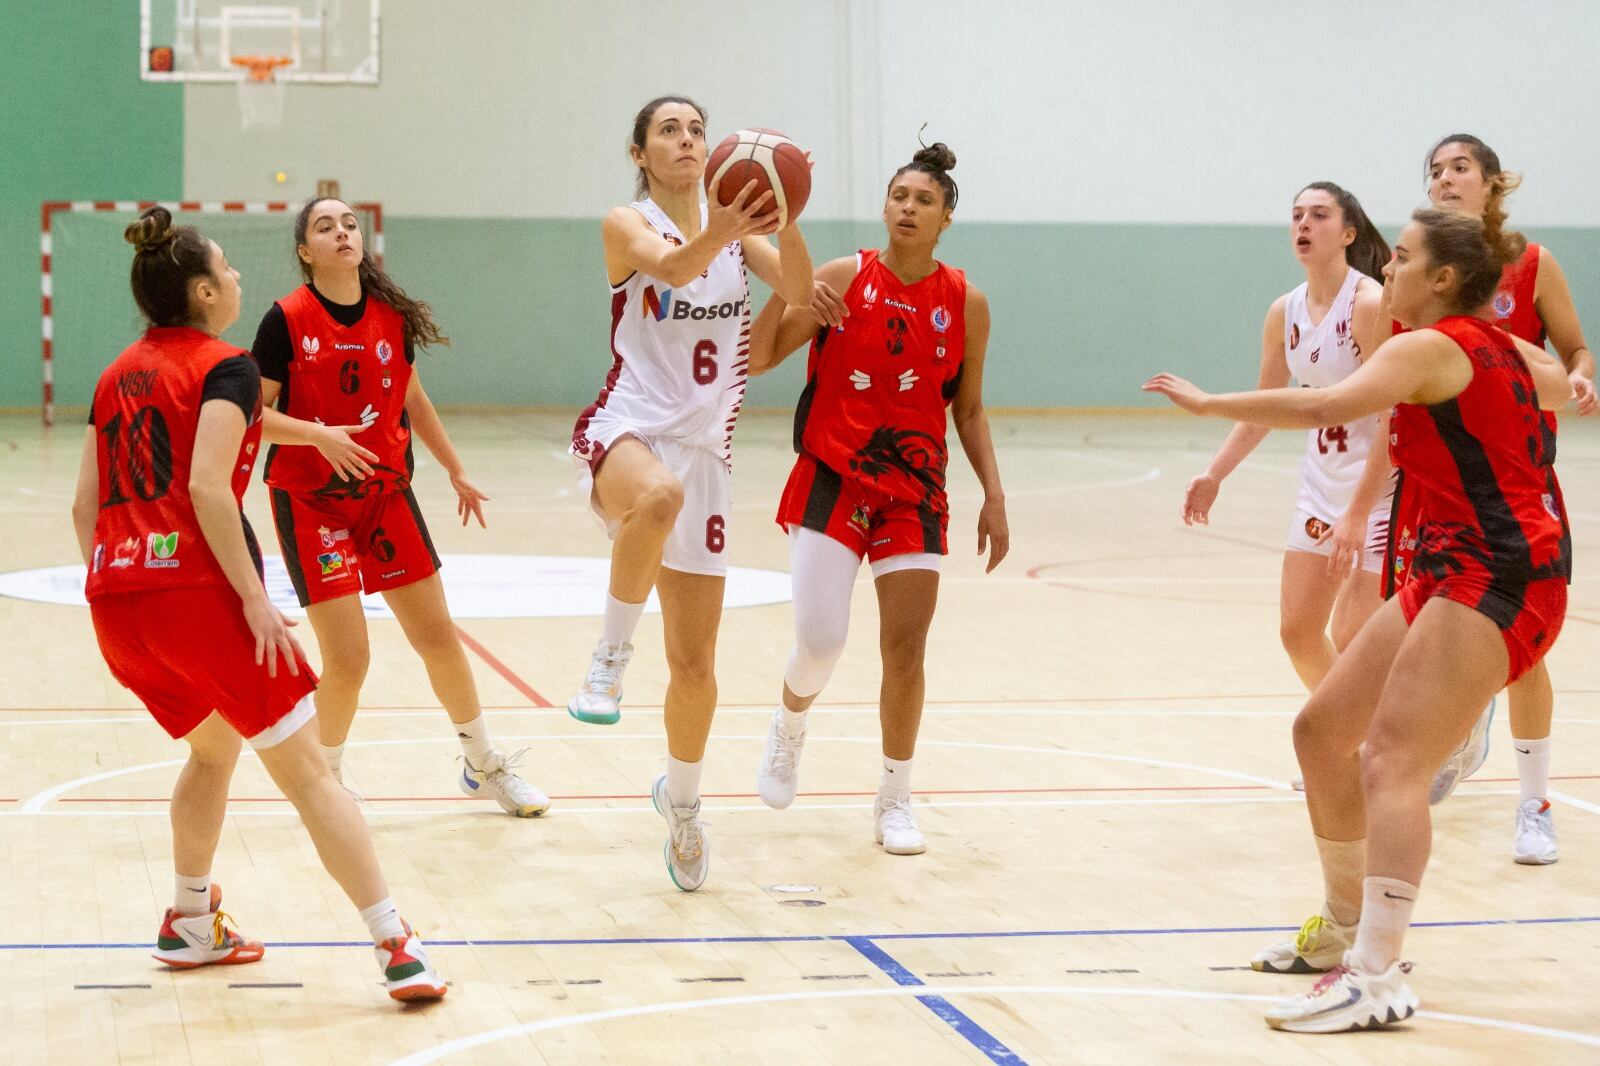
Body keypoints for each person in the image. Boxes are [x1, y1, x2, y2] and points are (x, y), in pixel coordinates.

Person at [1145, 207, 1570, 1033]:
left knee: (1391, 761)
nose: (1390, 270)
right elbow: (1561, 387)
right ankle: (1343, 934)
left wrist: (1209, 405)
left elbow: (1327, 404)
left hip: (1498, 572)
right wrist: (1571, 382)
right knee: (1321, 729)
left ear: (1442, 280)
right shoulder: (1503, 346)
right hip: (1458, 563)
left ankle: (1375, 974)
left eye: (1403, 259)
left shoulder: (1428, 344)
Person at [72, 207, 446, 1000]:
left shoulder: (113, 374)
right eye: (229, 270)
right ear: (205, 292)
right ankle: (396, 943)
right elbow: (210, 484)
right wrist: (253, 598)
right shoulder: (227, 365)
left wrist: (119, 580)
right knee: (313, 775)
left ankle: (189, 921)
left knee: (212, 751)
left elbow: (84, 508)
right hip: (195, 598)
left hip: (117, 600)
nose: (241, 277)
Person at [566, 96, 820, 890]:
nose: (686, 140)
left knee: (696, 665)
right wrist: (731, 226)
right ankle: (607, 659)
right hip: (628, 427)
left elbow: (805, 296)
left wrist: (787, 214)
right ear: (639, 151)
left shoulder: (740, 236)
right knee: (659, 496)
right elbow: (674, 267)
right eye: (669, 131)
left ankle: (681, 806)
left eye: (697, 129)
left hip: (708, 454)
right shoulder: (627, 222)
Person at [745, 142, 1009, 855]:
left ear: (947, 217)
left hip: (914, 488)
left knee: (906, 648)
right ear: (884, 206)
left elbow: (971, 408)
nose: (908, 208)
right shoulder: (843, 276)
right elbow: (762, 357)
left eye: (924, 200)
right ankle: (790, 724)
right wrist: (790, 290)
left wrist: (994, 494)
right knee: (822, 642)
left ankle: (895, 797)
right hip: (833, 475)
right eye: (899, 196)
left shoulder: (966, 303)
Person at [251, 198, 548, 817]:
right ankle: (325, 781)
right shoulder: (284, 321)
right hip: (312, 504)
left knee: (438, 637)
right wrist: (319, 436)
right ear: (306, 252)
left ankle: (483, 763)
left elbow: (412, 396)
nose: (342, 233)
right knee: (351, 657)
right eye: (325, 227)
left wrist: (455, 468)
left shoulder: (390, 316)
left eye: (349, 224)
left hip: (385, 495)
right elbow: (256, 416)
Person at [1397, 136, 1593, 866]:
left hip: (1518, 481)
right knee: (1418, 622)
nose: (1445, 179)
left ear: (1490, 183)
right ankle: (1440, 740)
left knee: (1526, 645)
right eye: (1435, 171)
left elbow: (1576, 351)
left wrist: (1580, 377)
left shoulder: (1532, 264)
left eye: (1459, 168)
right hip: (1440, 481)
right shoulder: (1418, 274)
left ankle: (1534, 803)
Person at [1182, 184, 1390, 789]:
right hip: (1319, 489)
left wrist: (1357, 511)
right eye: (1296, 215)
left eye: (1319, 215)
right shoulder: (1285, 311)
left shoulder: (1370, 303)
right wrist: (1214, 473)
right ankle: (1360, 735)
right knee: (1298, 632)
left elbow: (1396, 416)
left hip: (1377, 490)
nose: (1303, 224)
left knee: (1353, 634)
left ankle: (1382, 751)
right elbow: (1268, 406)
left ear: (1349, 232)